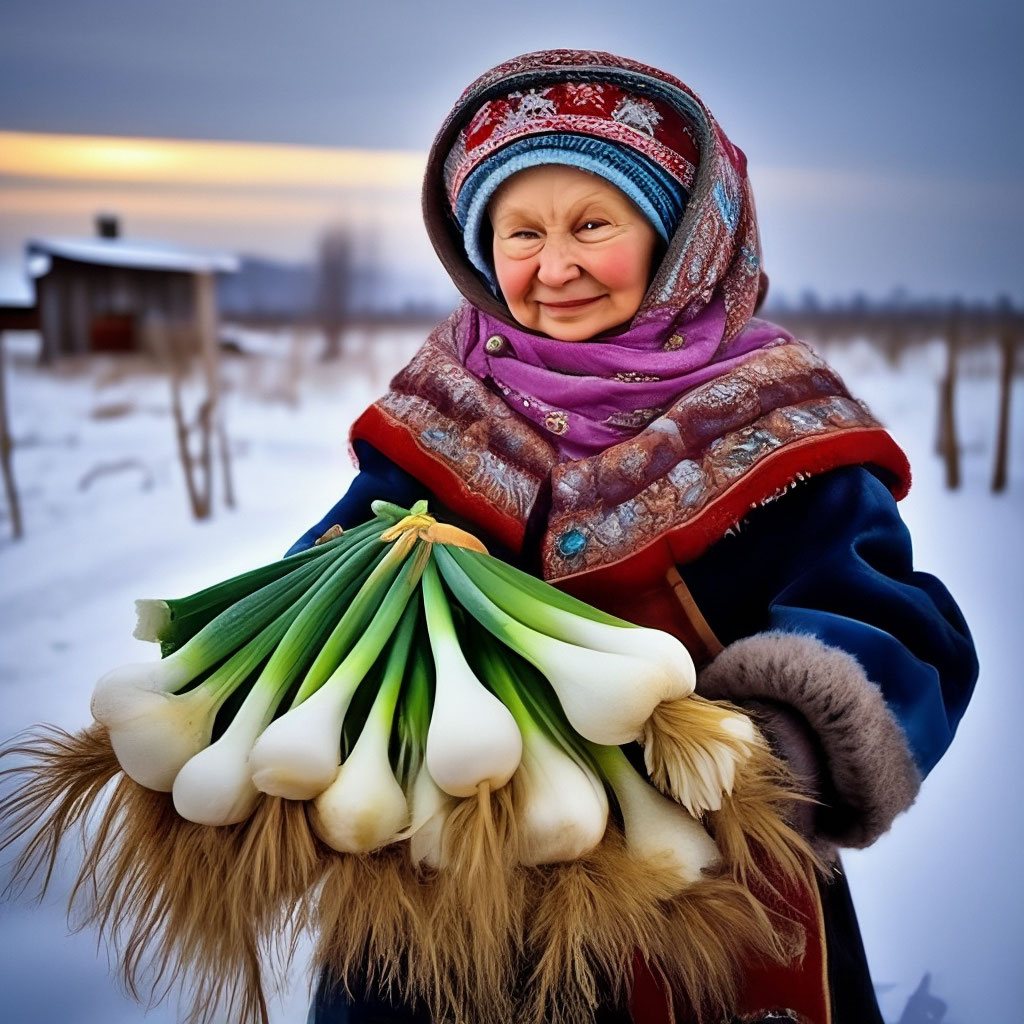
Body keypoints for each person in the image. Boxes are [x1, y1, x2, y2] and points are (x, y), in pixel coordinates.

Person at [296, 49, 978, 1024]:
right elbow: (341, 560)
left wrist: (768, 753)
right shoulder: (447, 407)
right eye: (519, 231)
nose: (555, 265)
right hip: (445, 875)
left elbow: (899, 631)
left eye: (591, 225)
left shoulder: (774, 418)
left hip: (697, 868)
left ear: (678, 240)